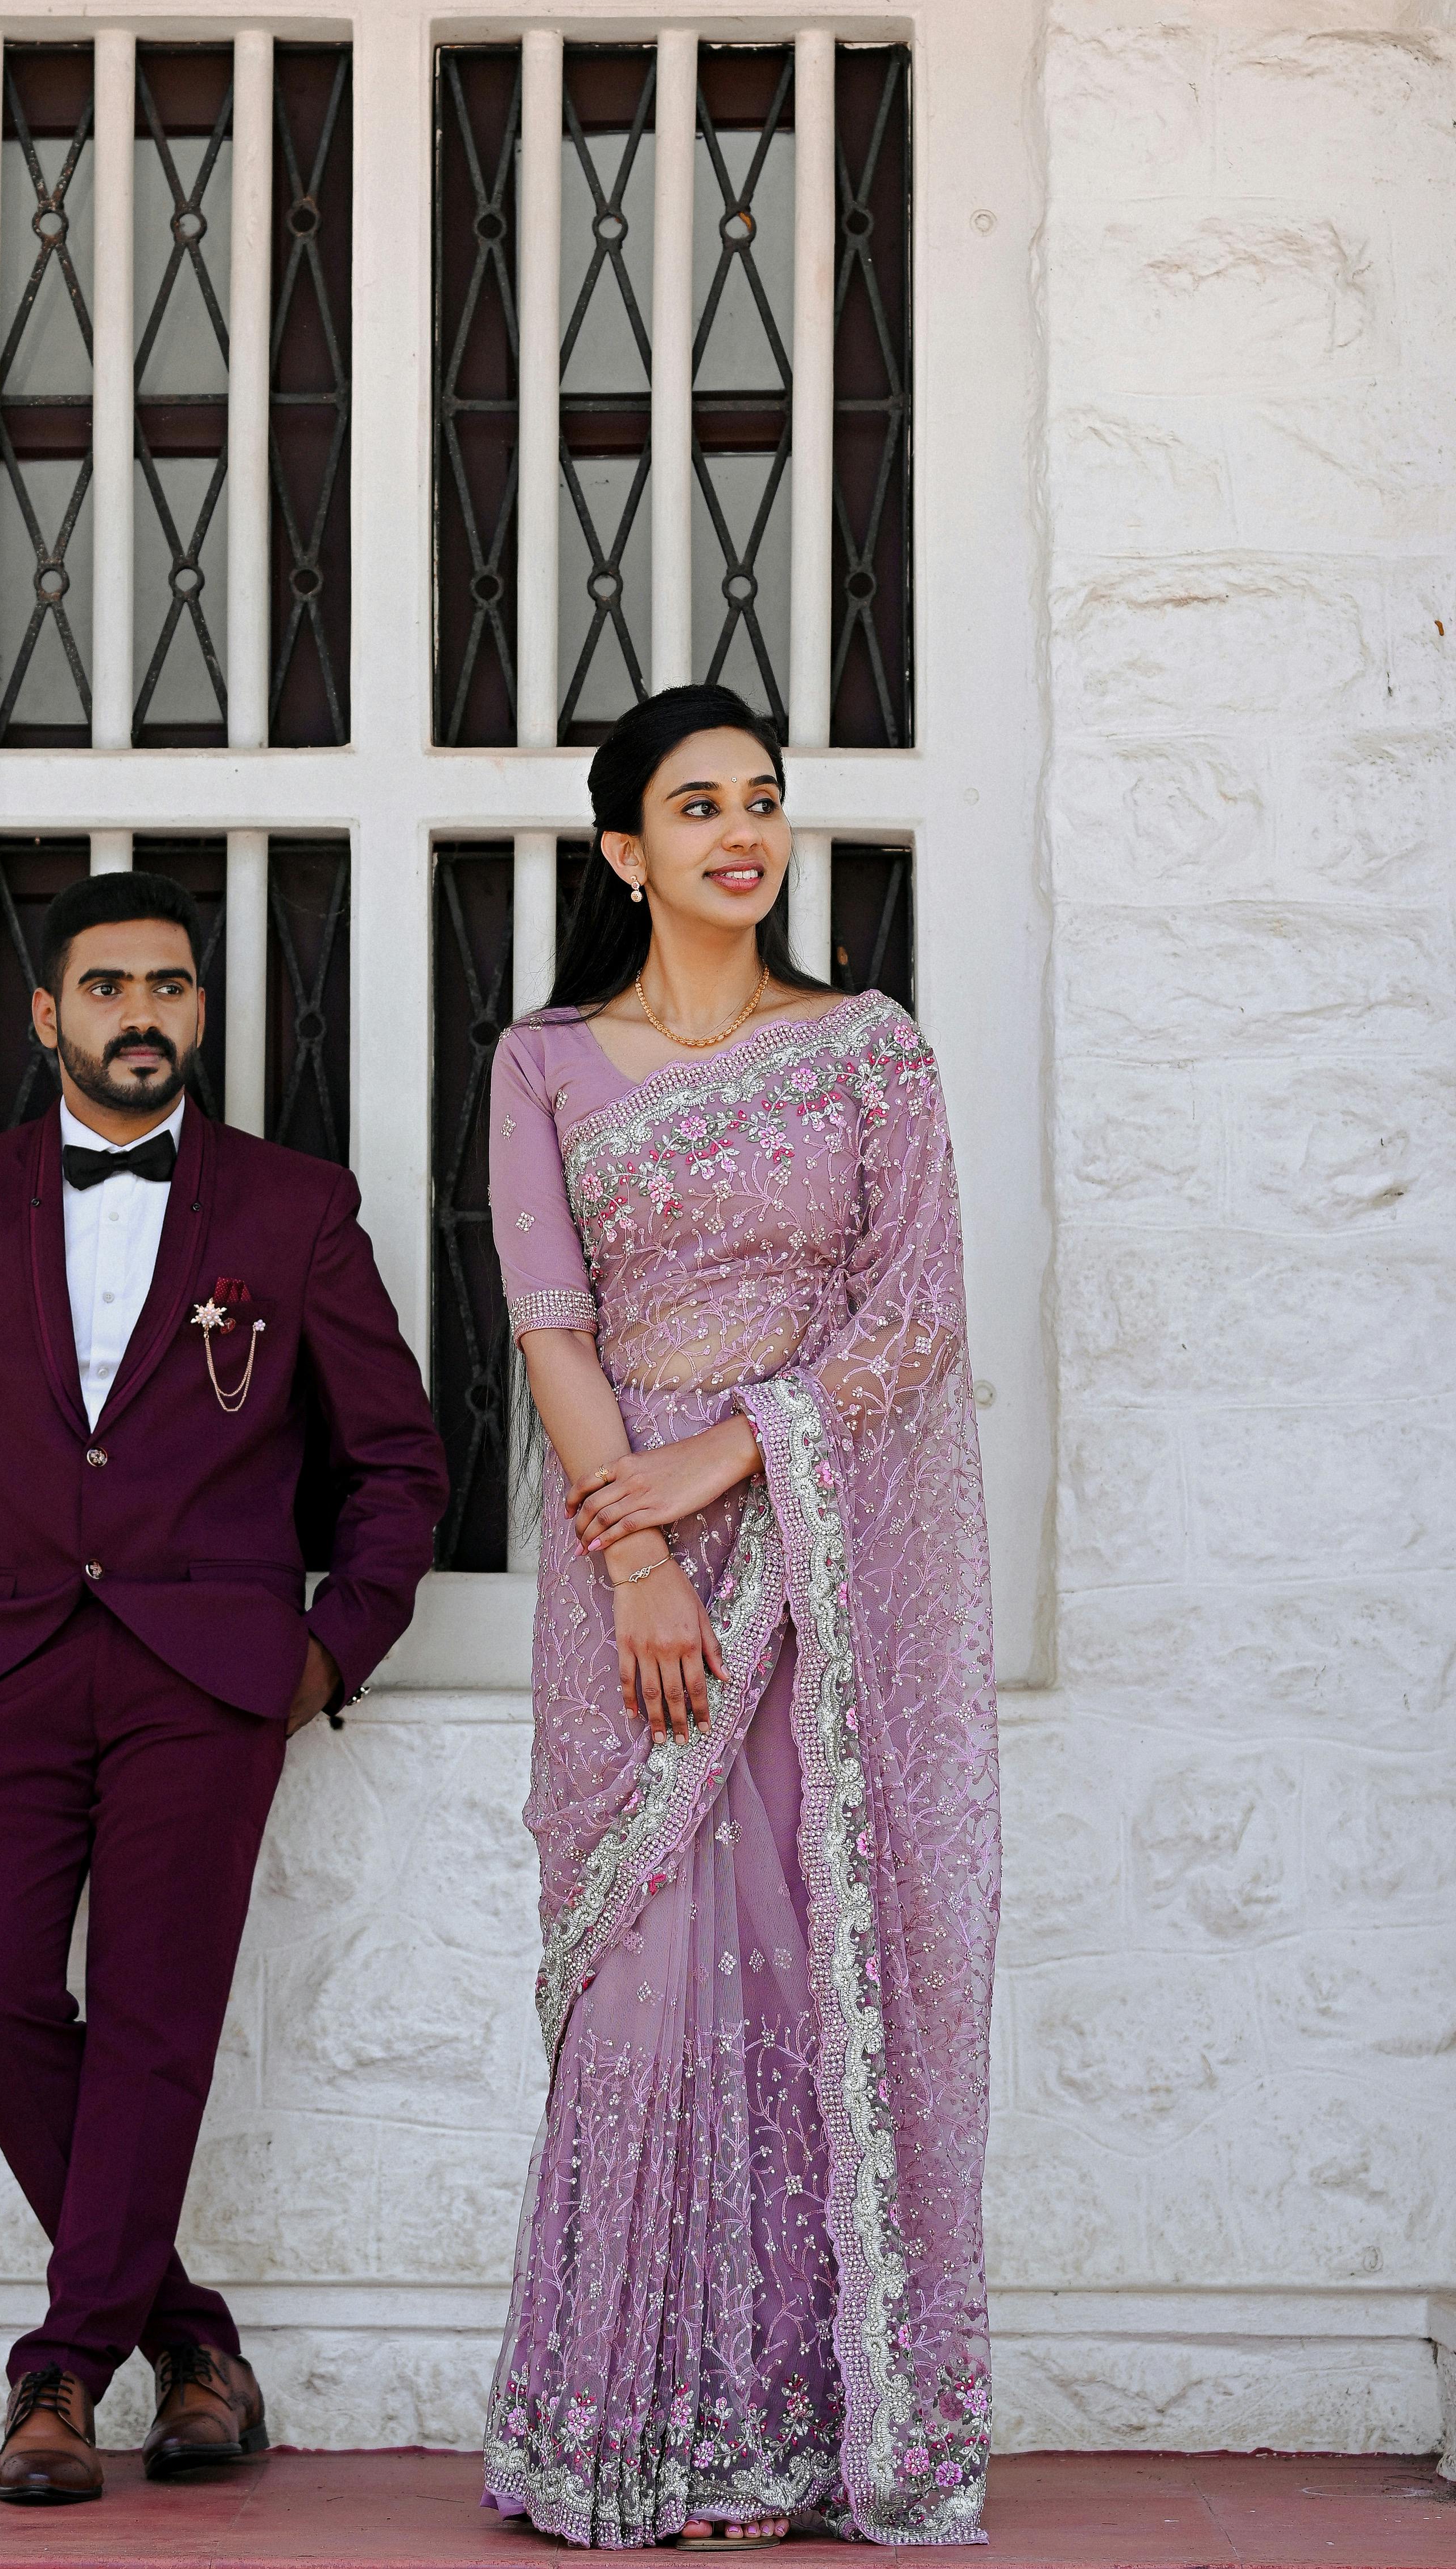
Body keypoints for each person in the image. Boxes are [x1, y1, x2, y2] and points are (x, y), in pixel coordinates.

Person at [0, 869, 447, 2508]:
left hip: (209, 1675)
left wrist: (325, 1654)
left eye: (171, 986)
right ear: (49, 1016)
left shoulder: (292, 1206)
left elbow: (397, 1457)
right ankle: (195, 2346)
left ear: (202, 1013)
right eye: (108, 989)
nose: (142, 1014)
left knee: (158, 2024)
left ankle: (59, 2375)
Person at [482, 689, 998, 2549]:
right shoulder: (548, 1062)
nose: (740, 833)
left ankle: (790, 2439)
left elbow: (913, 1323)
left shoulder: (868, 1052)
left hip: (822, 1575)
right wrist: (631, 1556)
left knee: (815, 1975)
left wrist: (721, 1471)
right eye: (695, 805)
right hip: (624, 1571)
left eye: (764, 801)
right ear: (626, 851)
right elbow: (552, 1323)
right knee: (645, 1979)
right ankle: (632, 2431)